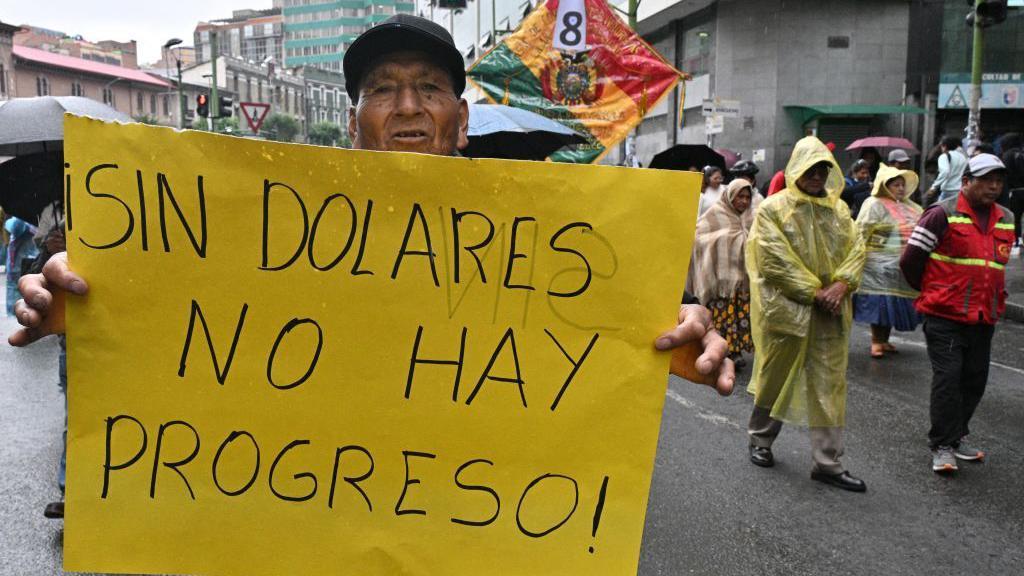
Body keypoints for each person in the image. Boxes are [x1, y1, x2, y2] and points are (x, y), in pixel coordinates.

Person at [11, 16, 735, 408]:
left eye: (429, 87)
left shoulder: (544, 237)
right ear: (355, 119)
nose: (409, 106)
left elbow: (608, 338)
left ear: (459, 117)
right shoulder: (272, 229)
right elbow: (196, 317)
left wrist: (677, 344)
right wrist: (95, 301)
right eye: (384, 89)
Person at [745, 136, 867, 492]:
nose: (817, 175)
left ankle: (828, 462)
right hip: (788, 311)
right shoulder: (773, 209)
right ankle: (760, 440)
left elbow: (857, 249)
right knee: (776, 376)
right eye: (811, 169)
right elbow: (772, 259)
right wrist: (815, 292)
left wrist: (842, 285)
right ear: (796, 168)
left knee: (829, 386)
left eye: (823, 169)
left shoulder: (839, 210)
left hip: (830, 313)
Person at [899, 153, 1015, 474]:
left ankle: (958, 434)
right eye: (986, 180)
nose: (994, 186)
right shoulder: (941, 214)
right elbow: (910, 261)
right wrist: (933, 292)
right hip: (943, 316)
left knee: (974, 380)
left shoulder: (1006, 217)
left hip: (984, 316)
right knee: (948, 379)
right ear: (965, 182)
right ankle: (943, 445)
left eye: (998, 181)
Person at [852, 164, 922, 358]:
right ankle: (876, 341)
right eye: (896, 185)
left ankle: (885, 340)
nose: (900, 188)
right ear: (885, 186)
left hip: (901, 265)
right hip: (877, 266)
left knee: (893, 302)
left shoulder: (912, 207)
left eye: (902, 185)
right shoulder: (874, 204)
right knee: (880, 302)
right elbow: (861, 230)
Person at [692, 179, 755, 368]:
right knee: (722, 316)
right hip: (720, 281)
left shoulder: (752, 217)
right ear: (730, 197)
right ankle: (720, 351)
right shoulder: (716, 214)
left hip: (742, 280)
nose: (744, 201)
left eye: (747, 197)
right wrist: (724, 239)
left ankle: (735, 350)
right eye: (739, 196)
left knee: (739, 316)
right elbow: (699, 238)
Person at [5, 216, 39, 316]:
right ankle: (13, 315)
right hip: (19, 264)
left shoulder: (18, 223)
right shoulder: (26, 224)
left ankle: (15, 315)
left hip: (20, 264)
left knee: (18, 289)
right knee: (16, 288)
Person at [997, 133, 1024, 245]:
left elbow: (1005, 175)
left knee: (1014, 217)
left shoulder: (1007, 155)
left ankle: (1016, 239)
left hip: (1015, 191)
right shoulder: (1022, 154)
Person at [927, 136, 968, 204]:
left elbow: (945, 172)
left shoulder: (944, 156)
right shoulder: (963, 157)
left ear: (944, 146)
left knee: (939, 210)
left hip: (948, 190)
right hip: (959, 190)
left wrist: (933, 187)